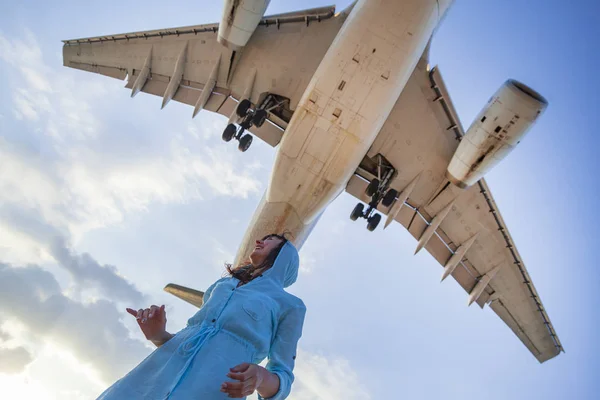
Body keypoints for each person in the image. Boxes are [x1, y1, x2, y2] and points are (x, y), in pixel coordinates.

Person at [97, 234, 306, 400]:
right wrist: (158, 335)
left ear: (283, 255)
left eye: (270, 240)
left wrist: (260, 377)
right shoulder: (222, 286)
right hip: (150, 380)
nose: (260, 241)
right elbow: (196, 342)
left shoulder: (290, 306)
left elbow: (283, 377)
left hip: (213, 390)